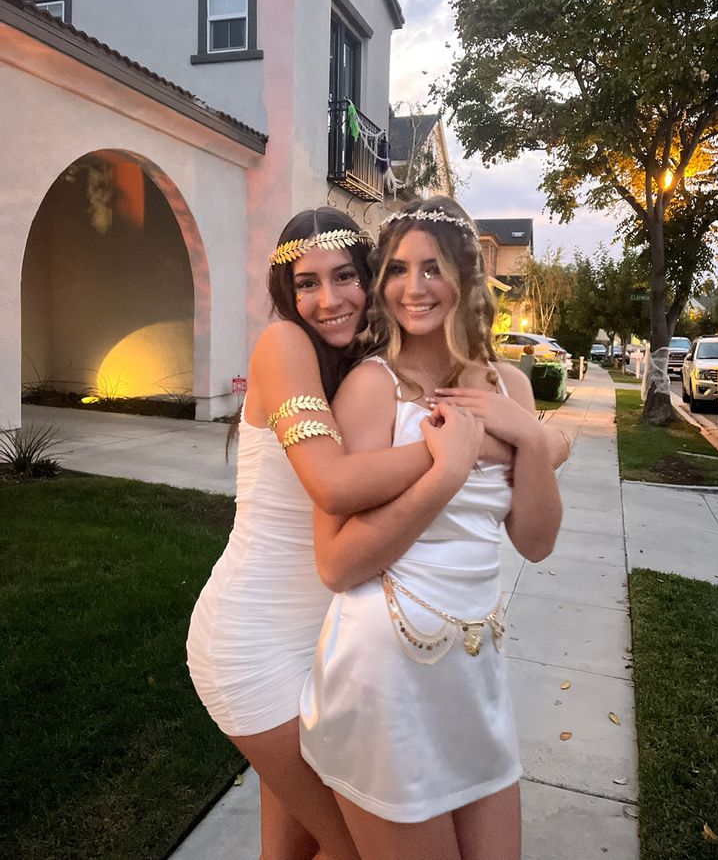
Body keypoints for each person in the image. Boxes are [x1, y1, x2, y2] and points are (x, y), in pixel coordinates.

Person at [186, 207, 492, 860]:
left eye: (345, 276)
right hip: (253, 647)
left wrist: (535, 441)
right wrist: (447, 456)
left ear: (371, 279)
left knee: (292, 851)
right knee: (356, 846)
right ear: (286, 293)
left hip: (322, 650)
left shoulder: (364, 366)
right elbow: (332, 482)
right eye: (306, 283)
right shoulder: (284, 346)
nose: (326, 300)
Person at [300, 197, 563, 860]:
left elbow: (535, 541)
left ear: (467, 278)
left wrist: (532, 441)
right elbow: (339, 563)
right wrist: (445, 471)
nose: (413, 287)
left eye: (432, 267)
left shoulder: (509, 388)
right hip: (386, 669)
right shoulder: (372, 386)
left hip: (474, 668)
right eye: (396, 269)